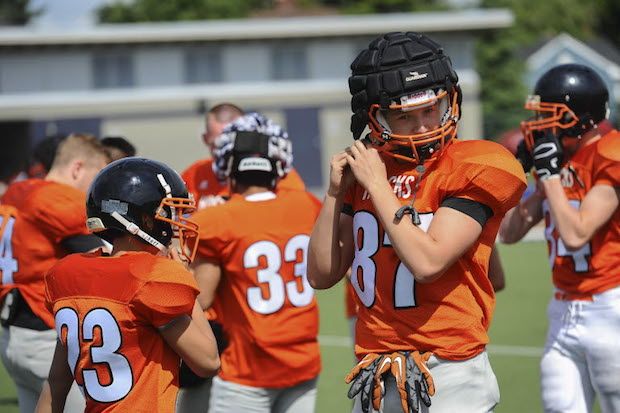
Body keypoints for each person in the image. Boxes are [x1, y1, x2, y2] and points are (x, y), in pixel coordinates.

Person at [307, 32, 527, 413]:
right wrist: (333, 195)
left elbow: (428, 263)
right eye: (404, 116)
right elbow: (321, 274)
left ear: (449, 100)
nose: (423, 125)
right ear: (374, 117)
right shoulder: (364, 169)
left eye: (430, 109)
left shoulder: (473, 164)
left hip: (449, 370)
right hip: (375, 371)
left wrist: (377, 185)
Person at [35, 157, 220, 413]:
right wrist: (184, 278)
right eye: (167, 213)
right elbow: (208, 361)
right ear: (144, 221)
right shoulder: (155, 276)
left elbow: (56, 382)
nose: (173, 223)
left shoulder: (68, 273)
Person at [499, 63, 620, 413]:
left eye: (550, 116)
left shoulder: (610, 154)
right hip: (563, 309)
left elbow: (577, 232)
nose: (542, 126)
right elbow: (509, 233)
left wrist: (550, 176)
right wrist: (519, 180)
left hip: (609, 307)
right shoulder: (562, 157)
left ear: (580, 117)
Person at [190, 112, 321, 413]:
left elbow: (203, 296)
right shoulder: (306, 205)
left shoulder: (214, 220)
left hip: (247, 369)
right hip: (302, 360)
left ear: (229, 168)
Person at [0, 133, 110, 413]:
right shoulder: (60, 199)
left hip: (12, 334)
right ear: (77, 168)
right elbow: (108, 261)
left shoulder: (18, 189)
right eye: (98, 176)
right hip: (45, 335)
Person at [182, 102, 309, 210]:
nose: (224, 152)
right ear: (206, 139)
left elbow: (294, 212)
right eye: (220, 144)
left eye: (232, 144)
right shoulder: (194, 174)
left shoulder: (279, 172)